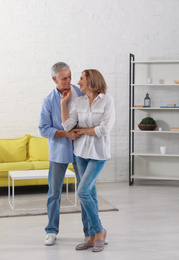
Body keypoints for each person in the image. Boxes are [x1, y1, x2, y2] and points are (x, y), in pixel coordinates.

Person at [61, 69, 115, 252]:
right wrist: (63, 104)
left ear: (91, 81)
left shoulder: (107, 101)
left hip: (99, 154)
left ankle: (99, 232)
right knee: (90, 193)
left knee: (82, 192)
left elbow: (104, 129)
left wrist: (83, 130)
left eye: (81, 79)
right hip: (81, 153)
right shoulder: (78, 101)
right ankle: (91, 236)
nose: (78, 82)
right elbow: (68, 126)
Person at [39, 62, 88, 246]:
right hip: (58, 153)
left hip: (81, 150)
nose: (69, 81)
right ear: (54, 79)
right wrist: (65, 133)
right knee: (54, 193)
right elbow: (43, 129)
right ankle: (51, 230)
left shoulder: (81, 94)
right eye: (64, 78)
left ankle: (90, 232)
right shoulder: (48, 101)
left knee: (85, 192)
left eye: (70, 76)